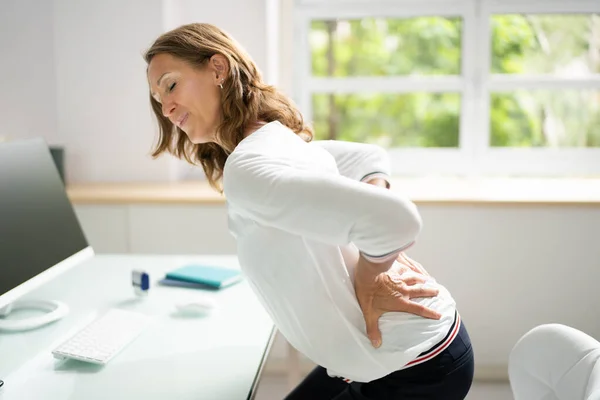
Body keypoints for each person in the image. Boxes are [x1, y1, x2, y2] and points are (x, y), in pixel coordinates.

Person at [144, 23, 474, 399]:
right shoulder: (270, 137)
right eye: (157, 98)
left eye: (170, 85)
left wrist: (372, 274)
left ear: (218, 69)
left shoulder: (250, 166)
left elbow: (396, 219)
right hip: (384, 356)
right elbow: (370, 158)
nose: (166, 108)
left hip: (414, 367)